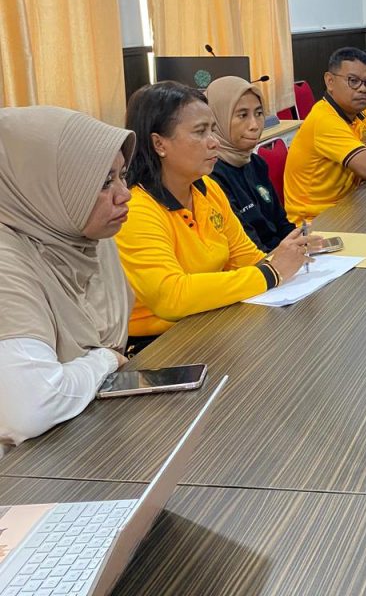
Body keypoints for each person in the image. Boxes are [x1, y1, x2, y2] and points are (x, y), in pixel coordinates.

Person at [116, 81, 313, 347]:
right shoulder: (137, 209)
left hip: (211, 319)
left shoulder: (207, 188)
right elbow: (171, 298)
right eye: (200, 132)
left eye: (212, 129)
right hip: (159, 343)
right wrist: (271, 272)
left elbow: (247, 258)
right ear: (159, 143)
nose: (214, 142)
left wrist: (286, 257)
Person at [0, 107, 135, 455]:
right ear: (41, 187)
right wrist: (103, 361)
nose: (125, 194)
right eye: (104, 182)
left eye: (122, 176)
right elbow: (30, 408)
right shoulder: (6, 258)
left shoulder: (83, 236)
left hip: (87, 437)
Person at [284, 47, 366, 223]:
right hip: (314, 221)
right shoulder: (324, 119)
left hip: (352, 205)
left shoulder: (363, 112)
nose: (362, 89)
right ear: (330, 81)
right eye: (353, 81)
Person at [207, 75, 295, 251]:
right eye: (242, 115)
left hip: (280, 256)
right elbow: (246, 247)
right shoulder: (211, 175)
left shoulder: (256, 163)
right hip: (258, 261)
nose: (255, 125)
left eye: (259, 113)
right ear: (217, 120)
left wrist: (304, 243)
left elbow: (282, 224)